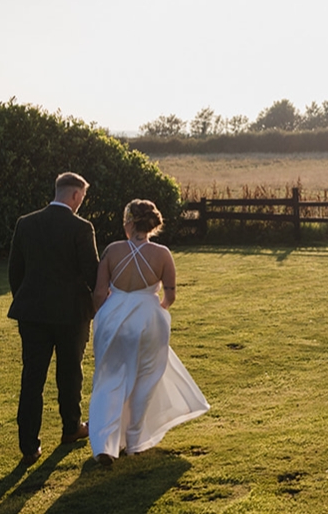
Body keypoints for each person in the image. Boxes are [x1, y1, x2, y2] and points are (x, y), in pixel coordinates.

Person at [88, 199, 208, 466]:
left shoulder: (112, 250)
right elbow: (170, 294)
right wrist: (157, 310)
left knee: (109, 378)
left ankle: (103, 445)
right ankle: (134, 441)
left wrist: (103, 314)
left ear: (129, 222)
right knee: (146, 378)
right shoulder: (163, 253)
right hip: (149, 319)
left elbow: (99, 291)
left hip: (113, 316)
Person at [8, 171, 99, 466]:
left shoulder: (26, 223)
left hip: (32, 312)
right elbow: (92, 273)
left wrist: (26, 299)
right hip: (72, 314)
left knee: (32, 377)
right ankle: (71, 427)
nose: (81, 203)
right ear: (75, 195)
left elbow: (15, 271)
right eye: (82, 198)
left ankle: (28, 445)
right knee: (70, 372)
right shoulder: (81, 227)